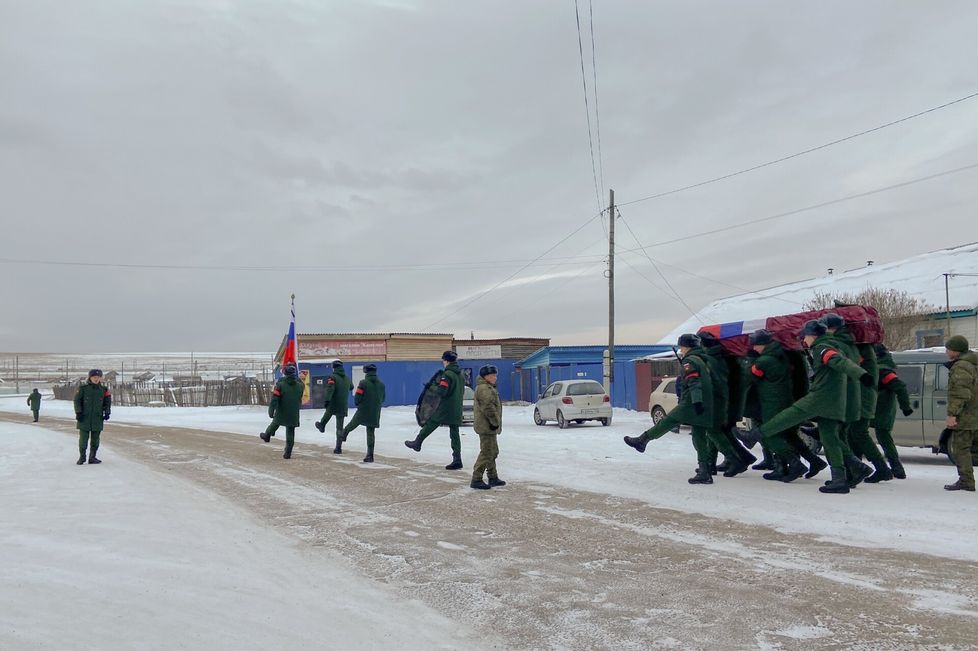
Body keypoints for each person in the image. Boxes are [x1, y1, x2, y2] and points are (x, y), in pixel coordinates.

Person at [738, 320, 872, 494]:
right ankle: (849, 472)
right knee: (830, 438)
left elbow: (837, 361)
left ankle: (753, 435)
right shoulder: (831, 345)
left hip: (820, 398)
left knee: (787, 417)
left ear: (812, 336)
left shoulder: (822, 348)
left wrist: (862, 375)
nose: (804, 340)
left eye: (805, 336)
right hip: (835, 400)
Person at [624, 334, 748, 484]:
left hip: (691, 403)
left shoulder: (690, 361)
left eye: (681, 347)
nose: (680, 350)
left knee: (668, 421)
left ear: (685, 346)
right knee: (699, 436)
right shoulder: (704, 359)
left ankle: (642, 440)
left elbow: (694, 383)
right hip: (707, 403)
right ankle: (705, 471)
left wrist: (696, 402)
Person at [743, 329, 826, 482]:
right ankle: (814, 461)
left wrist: (750, 361)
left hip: (772, 403)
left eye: (755, 345)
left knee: (769, 434)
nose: (754, 348)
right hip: (785, 399)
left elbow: (748, 378)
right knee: (788, 434)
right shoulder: (783, 354)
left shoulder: (765, 360)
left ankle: (795, 464)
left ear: (764, 345)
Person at [820, 313, 889, 486]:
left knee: (857, 432)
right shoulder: (855, 344)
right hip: (861, 395)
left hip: (860, 396)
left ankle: (877, 469)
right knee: (850, 433)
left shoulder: (855, 347)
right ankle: (859, 469)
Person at [697, 331, 757, 475]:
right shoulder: (723, 357)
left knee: (715, 431)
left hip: (722, 402)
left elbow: (714, 383)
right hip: (730, 402)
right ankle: (738, 458)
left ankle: (737, 460)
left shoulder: (712, 360)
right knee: (720, 432)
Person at [404, 351, 465, 470]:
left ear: (446, 361)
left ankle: (417, 442)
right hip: (457, 407)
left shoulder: (447, 375)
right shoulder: (460, 375)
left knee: (432, 422)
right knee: (454, 433)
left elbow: (442, 391)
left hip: (445, 407)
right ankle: (457, 459)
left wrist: (430, 386)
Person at [873, 343, 914, 479]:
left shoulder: (884, 371)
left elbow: (900, 387)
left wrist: (906, 406)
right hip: (882, 410)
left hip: (881, 410)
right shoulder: (885, 367)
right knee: (883, 438)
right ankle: (896, 469)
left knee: (863, 436)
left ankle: (895, 468)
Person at [943, 335, 978, 492]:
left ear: (955, 351)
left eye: (948, 349)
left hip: (968, 416)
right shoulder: (973, 363)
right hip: (975, 413)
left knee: (961, 448)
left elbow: (960, 393)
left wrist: (952, 414)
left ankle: (966, 481)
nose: (946, 351)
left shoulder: (961, 366)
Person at [342, 363, 386, 463]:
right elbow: (383, 398)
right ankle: (370, 455)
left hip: (363, 409)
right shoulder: (381, 385)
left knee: (354, 423)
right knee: (371, 432)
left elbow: (357, 397)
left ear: (366, 372)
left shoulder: (363, 383)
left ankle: (344, 433)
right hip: (375, 411)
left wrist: (358, 403)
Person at [260, 363, 304, 459]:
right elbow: (300, 393)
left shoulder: (280, 385)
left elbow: (275, 400)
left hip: (282, 409)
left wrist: (271, 411)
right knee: (290, 431)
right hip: (294, 411)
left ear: (285, 373)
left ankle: (267, 435)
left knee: (275, 422)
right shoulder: (300, 386)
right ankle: (288, 452)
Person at [471, 365, 505, 490]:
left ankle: (493, 477)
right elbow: (488, 407)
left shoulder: (488, 387)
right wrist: (494, 422)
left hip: (488, 426)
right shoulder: (484, 388)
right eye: (493, 375)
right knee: (486, 452)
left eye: (496, 375)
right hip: (487, 426)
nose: (495, 378)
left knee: (493, 452)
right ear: (486, 376)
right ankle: (476, 478)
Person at [73, 369, 111, 465]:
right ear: (90, 377)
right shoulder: (83, 388)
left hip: (97, 418)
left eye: (98, 377)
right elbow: (77, 401)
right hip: (84, 418)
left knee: (95, 439)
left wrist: (107, 412)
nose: (96, 379)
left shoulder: (104, 390)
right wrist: (78, 412)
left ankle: (92, 457)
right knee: (83, 440)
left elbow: (107, 402)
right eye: (94, 377)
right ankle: (82, 457)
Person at [315, 360, 352, 454]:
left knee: (328, 412)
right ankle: (338, 447)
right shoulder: (347, 378)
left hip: (334, 402)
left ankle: (322, 425)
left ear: (334, 368)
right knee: (339, 427)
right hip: (343, 405)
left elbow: (330, 389)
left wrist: (327, 400)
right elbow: (351, 387)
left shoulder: (332, 377)